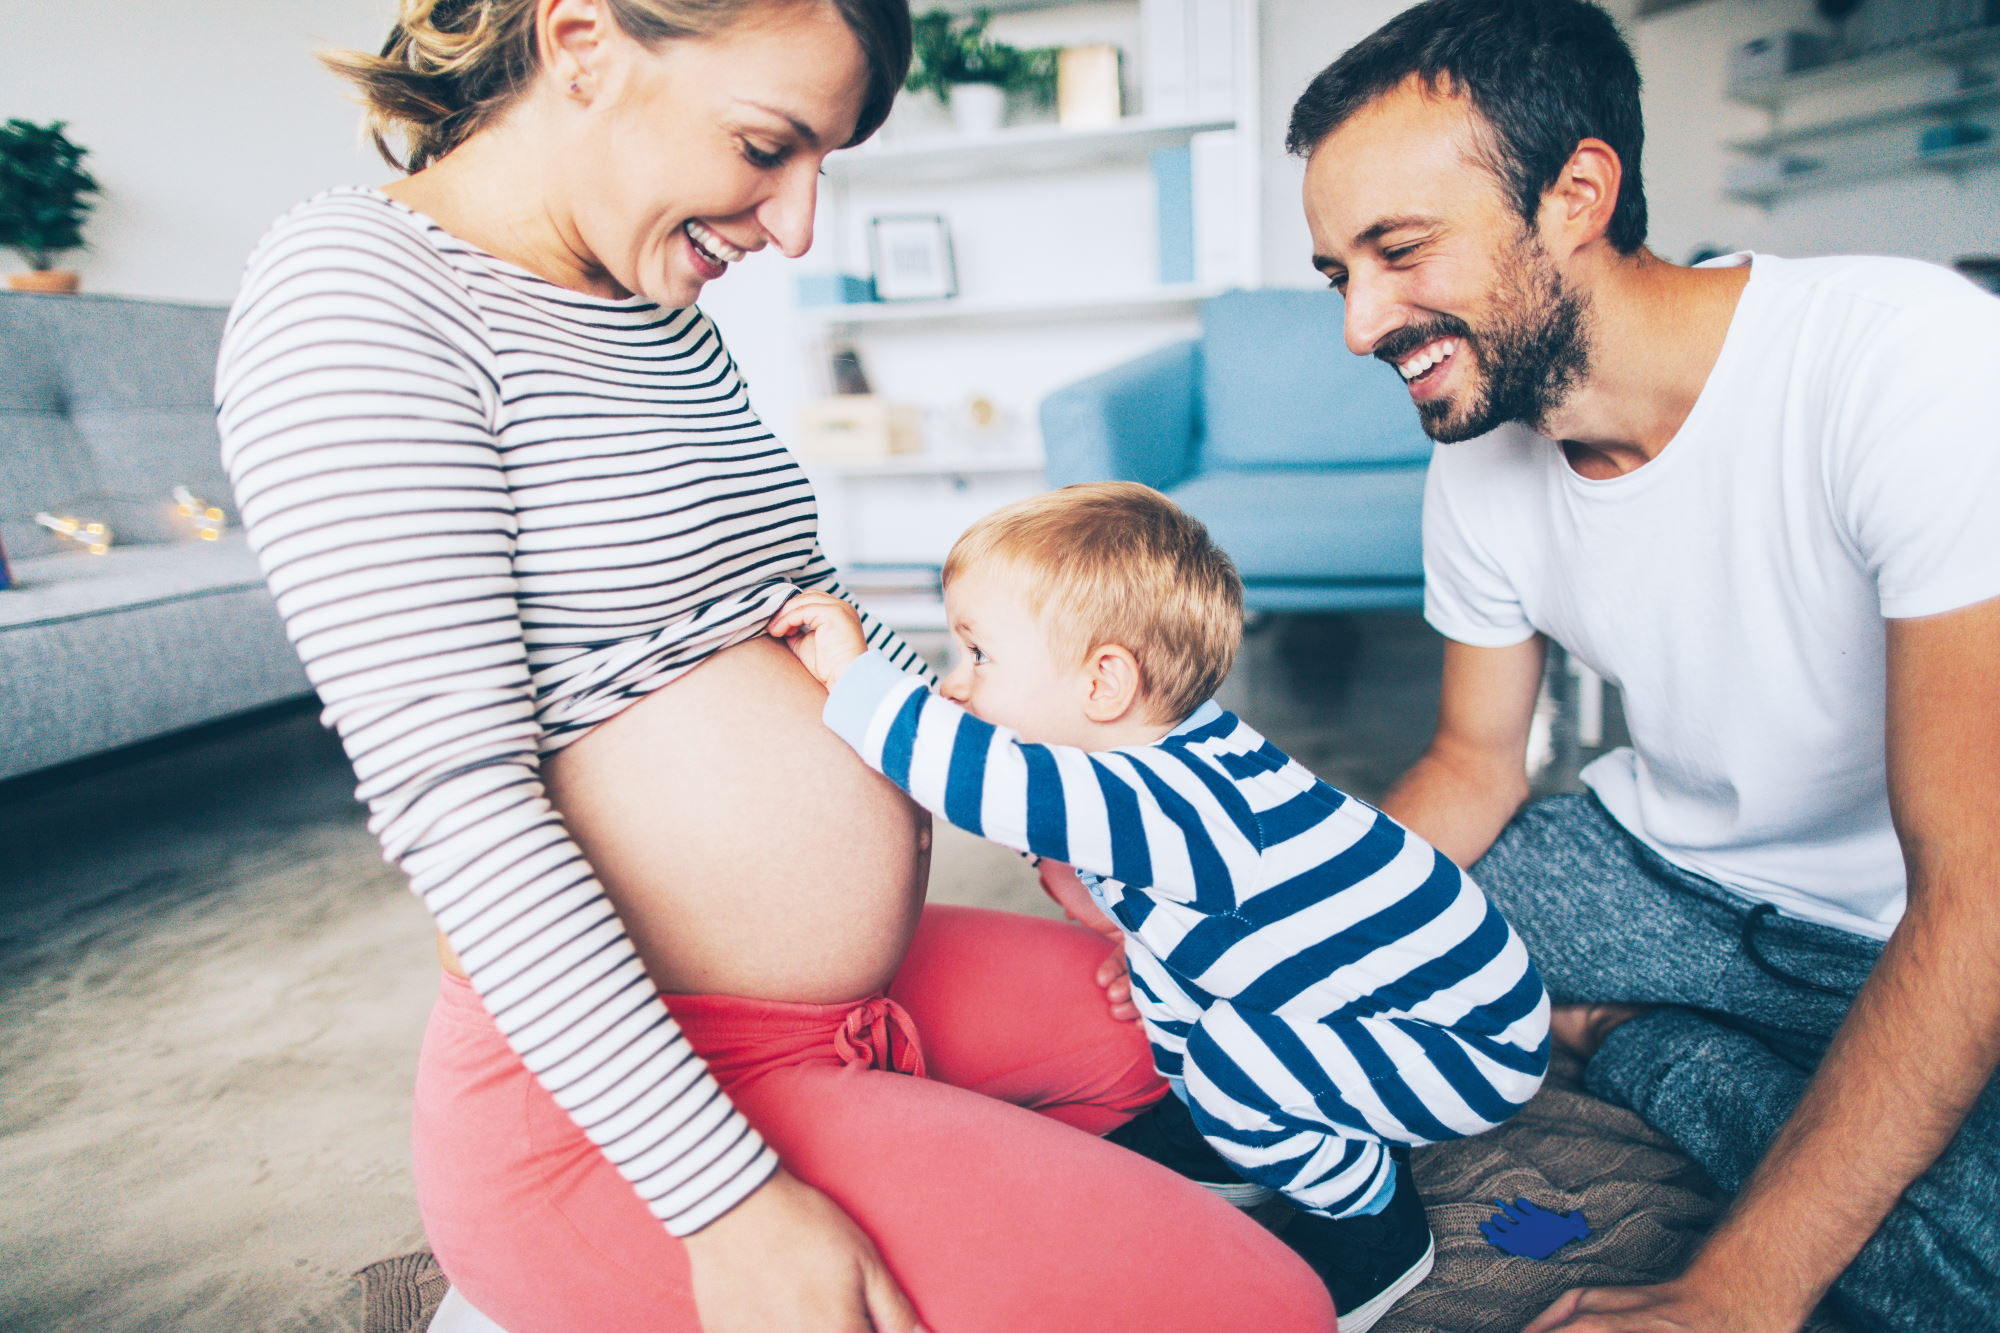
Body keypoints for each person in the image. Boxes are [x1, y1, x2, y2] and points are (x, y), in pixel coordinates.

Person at [213, 1, 1340, 1329]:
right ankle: (576, 1267)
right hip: (619, 1096)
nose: (798, 224)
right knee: (1269, 1308)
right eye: (767, 146)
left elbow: (779, 621)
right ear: (580, 41)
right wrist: (729, 1201)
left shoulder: (653, 307)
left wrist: (1059, 823)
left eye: (826, 163)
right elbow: (458, 807)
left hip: (847, 1007)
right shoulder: (355, 291)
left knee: (1182, 1030)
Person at [1286, 1, 2000, 1330]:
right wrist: (1275, 926)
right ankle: (1635, 1021)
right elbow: (1471, 761)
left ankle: (1629, 1038)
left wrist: (1738, 1289)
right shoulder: (1478, 467)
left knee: (1979, 1269)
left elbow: (1980, 885)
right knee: (1320, 967)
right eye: (1341, 273)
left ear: (1576, 194)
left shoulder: (1910, 361)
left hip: (1903, 918)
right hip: (1649, 874)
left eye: (1399, 251)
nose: (1360, 322)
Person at [770, 481, 1551, 1333]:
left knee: (1229, 1057)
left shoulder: (1177, 801)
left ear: (1105, 680)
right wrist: (1095, 892)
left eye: (979, 655)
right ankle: (1225, 1131)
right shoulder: (1167, 748)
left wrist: (858, 677)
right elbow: (1077, 831)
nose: (957, 686)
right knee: (1161, 971)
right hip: (1384, 992)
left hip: (1465, 1036)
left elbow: (987, 783)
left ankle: (1369, 1216)